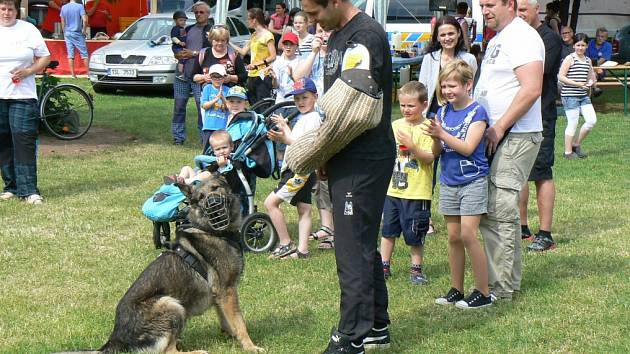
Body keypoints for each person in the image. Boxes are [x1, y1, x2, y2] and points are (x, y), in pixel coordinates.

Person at [301, 0, 395, 352]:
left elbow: (355, 111)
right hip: (344, 154)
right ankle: (376, 325)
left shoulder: (365, 36)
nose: (312, 21)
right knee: (358, 242)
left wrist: (320, 149)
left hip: (363, 157)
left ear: (337, 1)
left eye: (315, 12)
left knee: (351, 248)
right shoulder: (338, 34)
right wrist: (327, 155)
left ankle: (351, 336)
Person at [473, 0, 544, 302]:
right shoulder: (498, 38)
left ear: (510, 4)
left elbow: (531, 88)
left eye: (490, 4)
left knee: (500, 208)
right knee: (496, 209)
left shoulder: (523, 37)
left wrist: (500, 126)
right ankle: (505, 282)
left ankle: (500, 288)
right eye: (481, 5)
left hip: (515, 134)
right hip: (497, 134)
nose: (484, 10)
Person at [426, 59, 492, 309]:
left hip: (472, 180)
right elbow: (436, 152)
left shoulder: (478, 113)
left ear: (468, 85)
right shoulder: (442, 112)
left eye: (452, 86)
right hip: (449, 181)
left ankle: (483, 291)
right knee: (453, 237)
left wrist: (442, 134)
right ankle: (457, 288)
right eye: (443, 86)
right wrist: (434, 138)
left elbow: (467, 148)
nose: (447, 91)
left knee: (468, 234)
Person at [419, 15, 477, 234]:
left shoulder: (468, 58)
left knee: (454, 163)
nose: (447, 38)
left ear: (459, 34)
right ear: (437, 37)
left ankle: (462, 214)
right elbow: (422, 87)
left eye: (451, 33)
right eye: (442, 34)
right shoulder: (430, 58)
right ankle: (426, 218)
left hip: (459, 116)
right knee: (428, 167)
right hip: (433, 115)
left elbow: (473, 88)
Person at [517, 0, 562, 253]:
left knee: (541, 172)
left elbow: (534, 73)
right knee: (521, 171)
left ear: (537, 11)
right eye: (517, 10)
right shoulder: (514, 37)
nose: (520, 14)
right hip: (519, 114)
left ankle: (545, 233)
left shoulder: (549, 39)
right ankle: (522, 227)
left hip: (542, 114)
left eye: (524, 9)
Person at [380, 81, 436, 286]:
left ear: (424, 104)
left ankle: (416, 269)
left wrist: (412, 147)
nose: (405, 109)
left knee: (415, 234)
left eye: (411, 105)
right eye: (402, 105)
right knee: (387, 231)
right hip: (393, 189)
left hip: (417, 192)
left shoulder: (429, 128)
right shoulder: (395, 126)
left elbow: (429, 158)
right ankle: (383, 266)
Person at [264, 78, 322, 260]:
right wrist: (285, 127)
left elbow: (304, 146)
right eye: (297, 99)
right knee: (304, 209)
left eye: (305, 97)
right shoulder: (306, 118)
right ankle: (302, 250)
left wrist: (283, 139)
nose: (300, 102)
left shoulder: (312, 118)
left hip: (298, 171)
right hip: (304, 169)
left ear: (316, 97)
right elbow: (296, 139)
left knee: (270, 203)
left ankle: (285, 243)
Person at [0, 0, 51, 204]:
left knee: (23, 141)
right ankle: (11, 186)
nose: (6, 13)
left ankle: (29, 190)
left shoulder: (28, 30)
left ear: (17, 10)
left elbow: (45, 57)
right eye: (2, 8)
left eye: (10, 9)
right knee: (3, 143)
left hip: (23, 95)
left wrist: (29, 71)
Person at [171, 1, 211, 146]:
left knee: (202, 107)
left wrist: (193, 53)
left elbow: (212, 52)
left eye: (201, 12)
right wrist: (177, 54)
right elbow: (175, 44)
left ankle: (204, 138)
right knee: (179, 106)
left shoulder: (211, 30)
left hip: (199, 76)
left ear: (208, 14)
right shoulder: (187, 29)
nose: (198, 15)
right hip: (182, 74)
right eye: (196, 12)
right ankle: (178, 137)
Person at [558, 33, 597, 160]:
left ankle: (576, 144)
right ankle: (568, 152)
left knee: (591, 121)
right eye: (578, 45)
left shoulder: (587, 60)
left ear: (587, 46)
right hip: (570, 96)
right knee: (573, 123)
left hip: (583, 95)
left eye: (583, 45)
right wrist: (577, 84)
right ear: (574, 45)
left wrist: (591, 82)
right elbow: (561, 77)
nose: (580, 48)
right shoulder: (570, 58)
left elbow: (591, 76)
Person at [230, 8, 276, 105]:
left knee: (263, 106)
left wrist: (257, 64)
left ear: (254, 20)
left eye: (248, 19)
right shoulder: (254, 35)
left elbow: (273, 56)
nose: (247, 21)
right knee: (254, 105)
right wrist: (228, 42)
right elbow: (243, 52)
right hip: (252, 75)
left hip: (263, 74)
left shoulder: (267, 35)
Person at [293, 23, 330, 95]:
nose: (324, 34)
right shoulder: (308, 55)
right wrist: (314, 52)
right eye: (320, 31)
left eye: (327, 31)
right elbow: (297, 79)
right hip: (312, 102)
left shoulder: (340, 53)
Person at [200, 64, 230, 153]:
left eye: (219, 77)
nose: (217, 80)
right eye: (214, 77)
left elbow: (229, 108)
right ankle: (205, 164)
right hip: (209, 126)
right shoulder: (207, 88)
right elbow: (204, 106)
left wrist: (223, 98)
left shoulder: (228, 90)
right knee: (207, 149)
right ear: (210, 77)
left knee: (221, 149)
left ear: (224, 78)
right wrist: (216, 99)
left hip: (222, 127)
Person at [60, 0, 88, 78]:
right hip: (78, 33)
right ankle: (89, 74)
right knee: (84, 54)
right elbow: (85, 20)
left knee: (70, 55)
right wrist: (84, 30)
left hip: (67, 33)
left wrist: (64, 32)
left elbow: (62, 22)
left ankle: (73, 75)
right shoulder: (80, 6)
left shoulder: (63, 7)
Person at [170, 10, 188, 81]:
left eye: (184, 20)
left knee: (184, 60)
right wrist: (179, 42)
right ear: (175, 20)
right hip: (177, 47)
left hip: (182, 47)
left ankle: (183, 73)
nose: (183, 22)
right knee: (182, 59)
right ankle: (180, 74)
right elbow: (173, 37)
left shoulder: (183, 29)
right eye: (181, 20)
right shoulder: (175, 29)